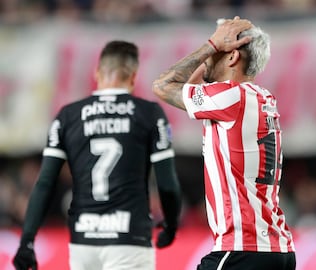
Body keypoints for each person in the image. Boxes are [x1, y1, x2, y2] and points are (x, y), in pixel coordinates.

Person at [12, 40, 182, 270]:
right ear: (133, 76)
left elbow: (45, 182)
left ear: (97, 72)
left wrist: (27, 240)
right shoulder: (149, 114)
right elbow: (167, 183)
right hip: (129, 238)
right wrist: (171, 225)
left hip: (84, 242)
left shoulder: (68, 115)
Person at [152, 17, 296, 269]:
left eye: (219, 51)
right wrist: (216, 46)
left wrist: (210, 44)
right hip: (277, 251)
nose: (208, 57)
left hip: (243, 249)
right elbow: (192, 87)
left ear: (232, 58)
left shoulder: (231, 97)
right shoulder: (262, 97)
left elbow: (163, 85)